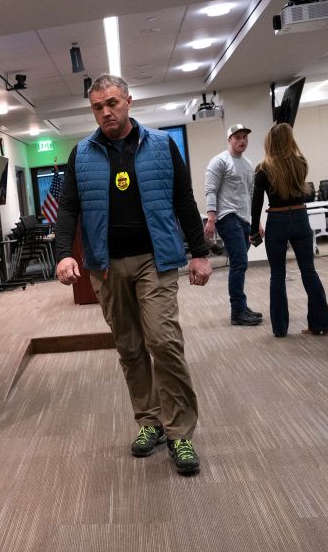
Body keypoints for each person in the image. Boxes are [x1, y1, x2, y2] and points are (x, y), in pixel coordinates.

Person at [54, 74, 211, 476]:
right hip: (106, 266)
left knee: (164, 341)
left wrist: (199, 253)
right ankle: (149, 422)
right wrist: (62, 255)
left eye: (112, 103)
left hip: (154, 259)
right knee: (129, 347)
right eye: (97, 107)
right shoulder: (82, 154)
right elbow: (68, 208)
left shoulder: (162, 145)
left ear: (129, 101)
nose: (105, 112)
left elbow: (183, 200)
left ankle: (180, 433)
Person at [250, 123, 328, 337]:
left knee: (277, 276)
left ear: (269, 142)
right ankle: (320, 324)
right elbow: (302, 193)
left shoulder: (262, 168)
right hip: (300, 218)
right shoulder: (301, 163)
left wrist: (253, 231)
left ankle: (280, 329)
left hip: (276, 220)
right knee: (309, 271)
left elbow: (256, 203)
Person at [204, 124, 263, 326]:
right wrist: (211, 218)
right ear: (229, 139)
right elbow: (210, 190)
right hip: (226, 217)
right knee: (240, 263)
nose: (242, 141)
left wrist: (257, 223)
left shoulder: (248, 164)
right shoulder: (219, 161)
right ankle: (238, 311)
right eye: (237, 137)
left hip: (244, 219)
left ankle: (240, 306)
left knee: (240, 263)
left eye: (245, 137)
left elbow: (253, 196)